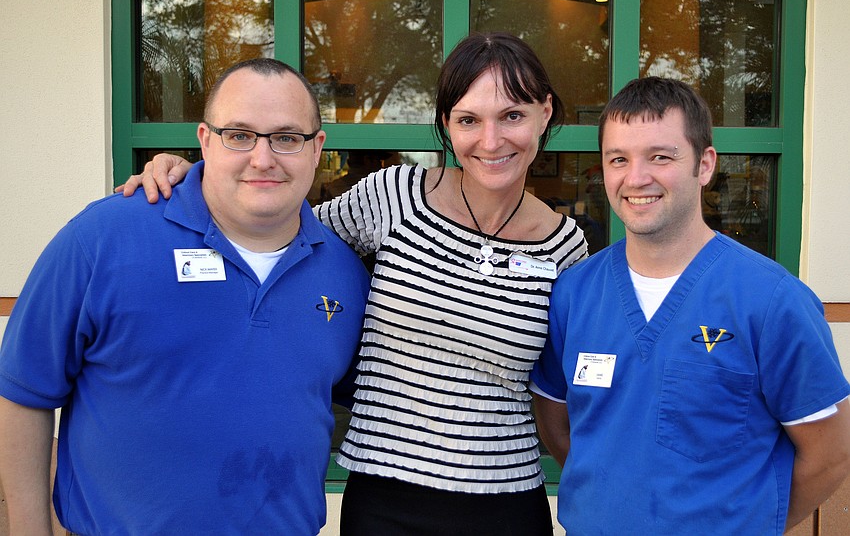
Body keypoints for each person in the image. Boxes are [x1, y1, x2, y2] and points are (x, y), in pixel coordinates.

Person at [119, 32, 589, 535]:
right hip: (384, 499)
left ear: (544, 113)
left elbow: (558, 387)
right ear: (448, 126)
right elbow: (273, 234)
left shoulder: (565, 247)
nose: (491, 141)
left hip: (508, 503)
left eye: (512, 115)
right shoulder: (395, 196)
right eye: (469, 120)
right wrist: (196, 173)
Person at [0, 58, 371, 534]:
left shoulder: (344, 273)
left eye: (286, 137)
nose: (263, 158)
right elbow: (24, 391)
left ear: (316, 148)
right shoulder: (102, 238)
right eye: (239, 135)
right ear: (204, 140)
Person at [530, 77, 850, 534]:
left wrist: (747, 523)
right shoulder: (574, 295)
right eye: (618, 159)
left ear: (705, 164)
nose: (636, 178)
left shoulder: (773, 301)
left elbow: (830, 455)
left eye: (661, 156)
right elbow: (561, 432)